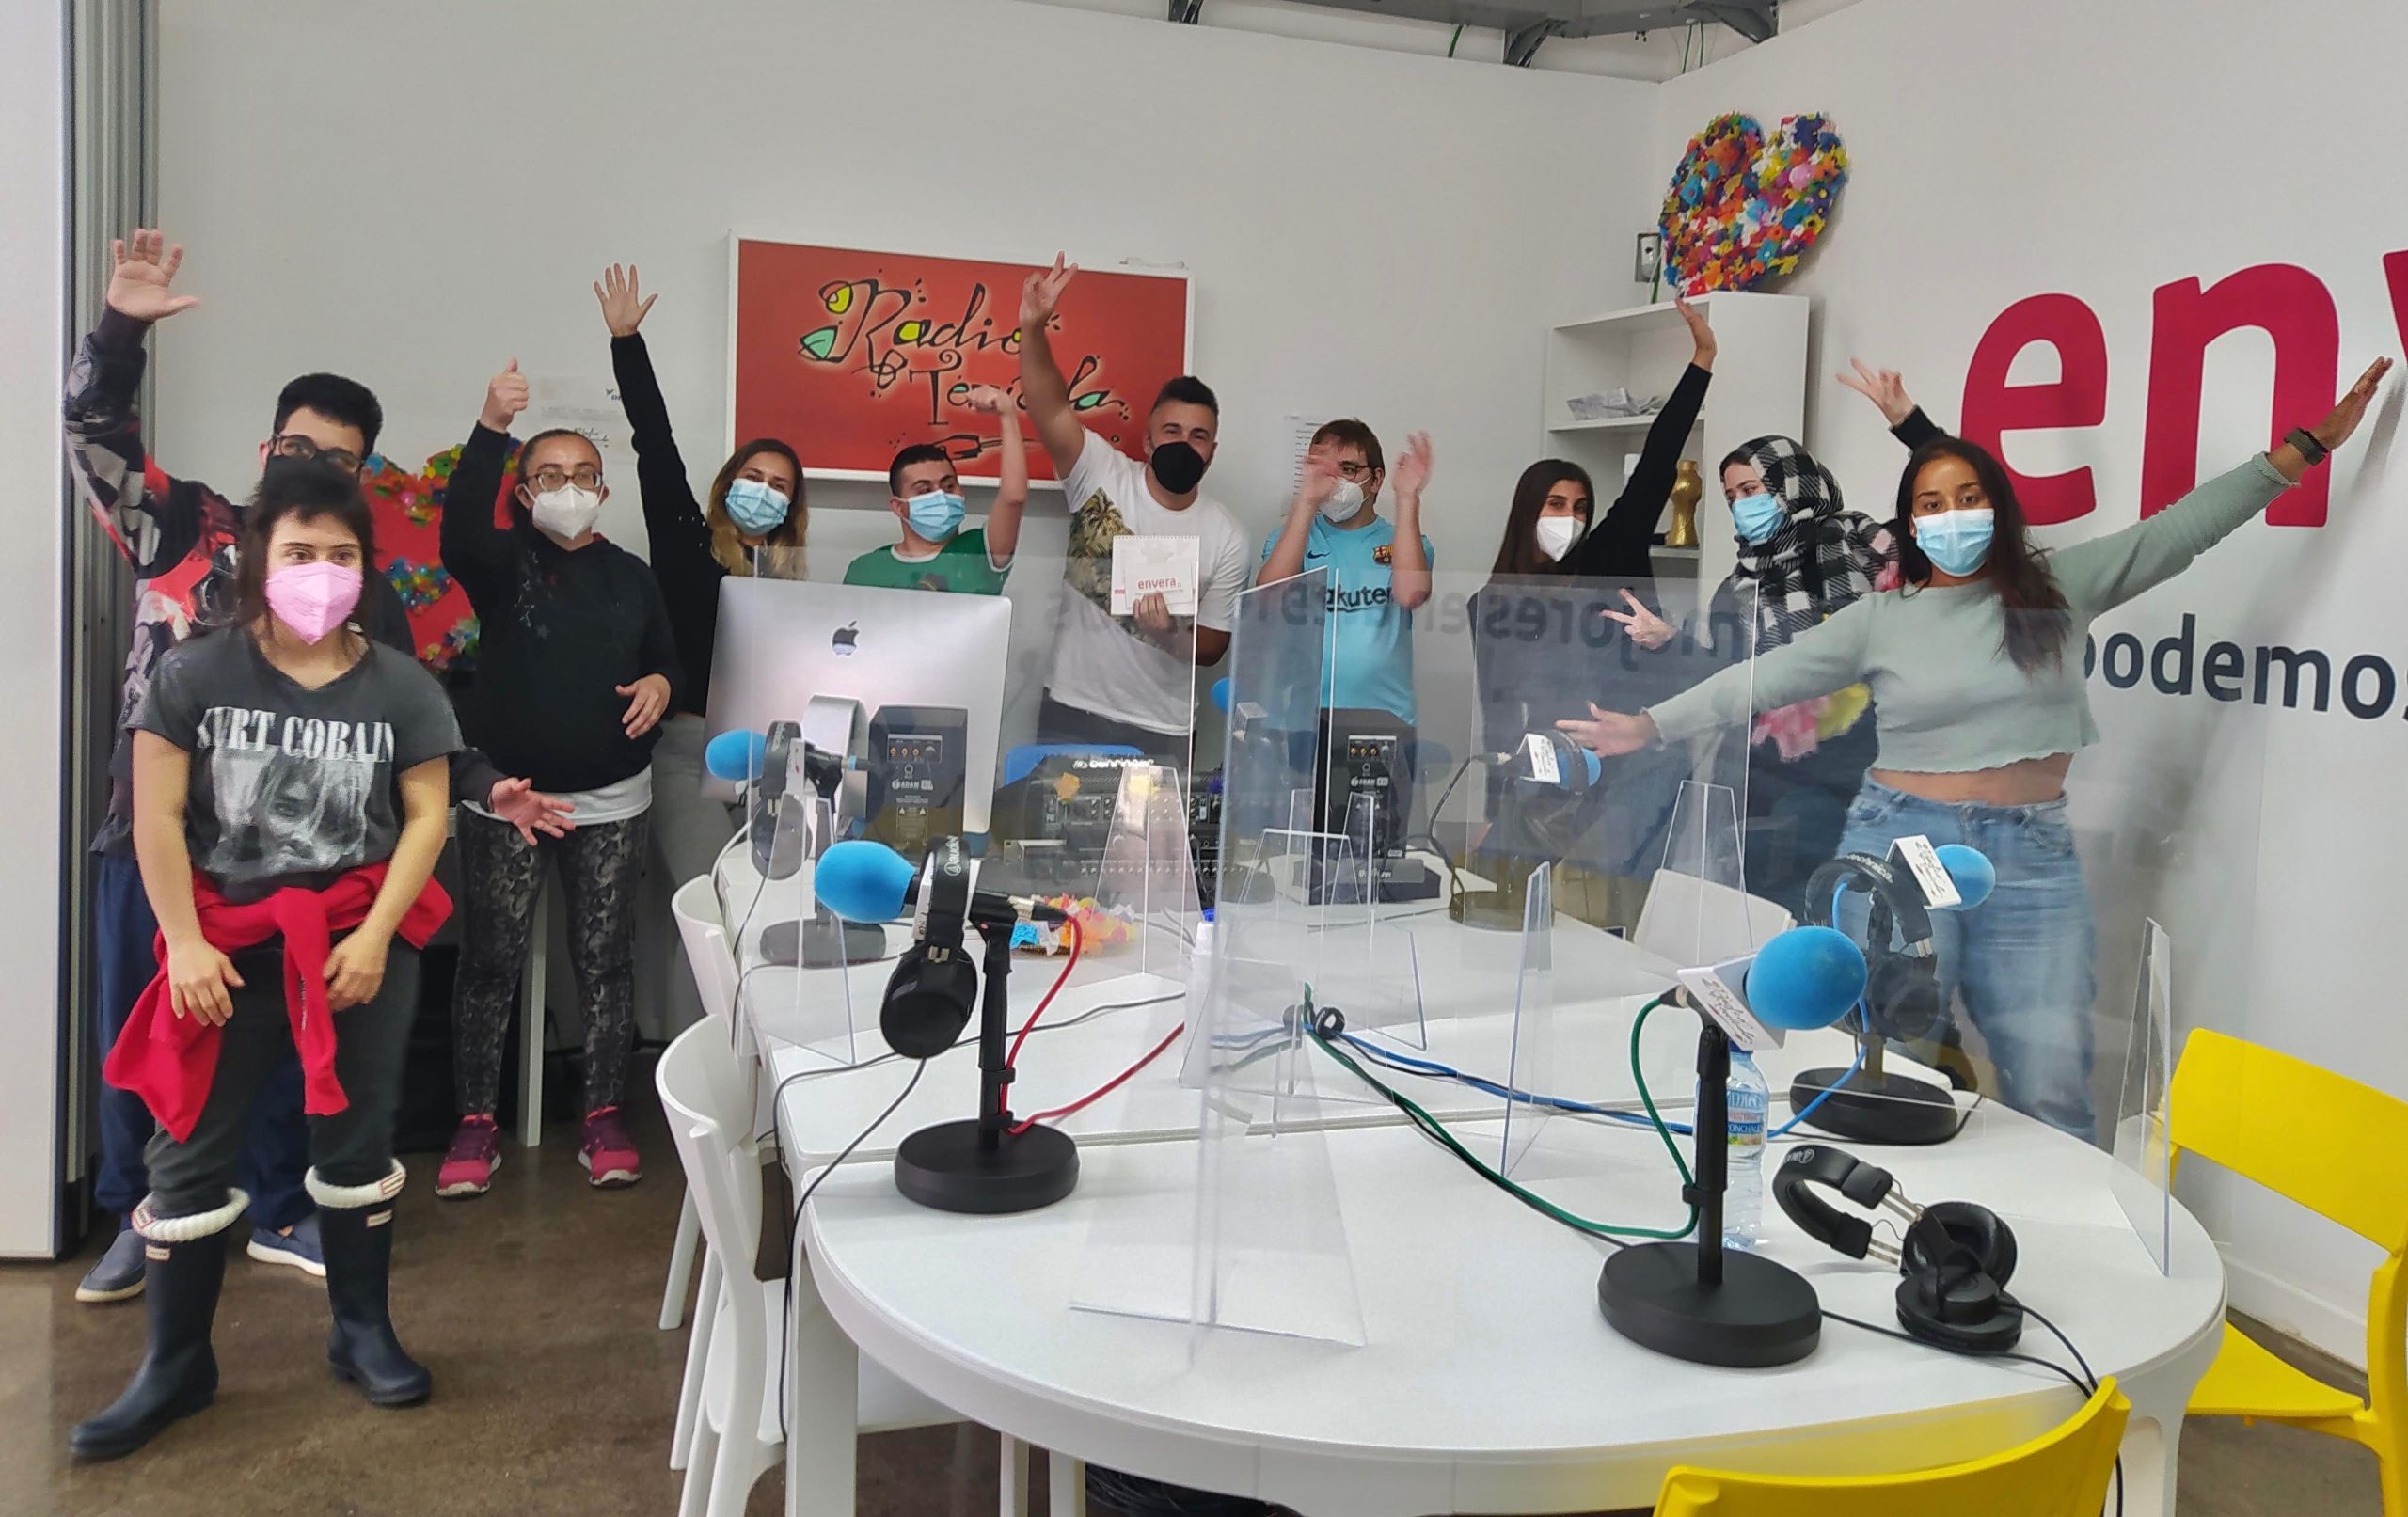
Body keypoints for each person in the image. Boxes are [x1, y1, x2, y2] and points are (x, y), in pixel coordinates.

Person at [1560, 356, 2392, 1136]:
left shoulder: (2059, 588)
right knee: (1883, 1059)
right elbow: (1762, 679)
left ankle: (2055, 1238)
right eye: (1929, 504)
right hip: (1898, 843)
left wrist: (2306, 447)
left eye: (1966, 498)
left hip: (2030, 853)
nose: (1949, 516)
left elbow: (2185, 529)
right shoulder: (1883, 616)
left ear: (1996, 507)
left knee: (2051, 1074)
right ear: (1911, 522)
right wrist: (1647, 724)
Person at [62, 229, 564, 1305]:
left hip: (297, 865)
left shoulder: (359, 585)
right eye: (297, 446)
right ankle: (141, 1214)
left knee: (289, 1051)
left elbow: (413, 723)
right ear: (266, 445)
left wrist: (484, 785)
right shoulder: (187, 528)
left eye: (336, 461)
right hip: (160, 847)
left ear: (360, 476)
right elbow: (94, 437)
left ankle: (283, 1208)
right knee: (152, 1038)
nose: (310, 469)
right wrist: (120, 332)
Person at [71, 460, 460, 1460]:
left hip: (357, 939)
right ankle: (175, 1364)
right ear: (257, 560)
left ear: (365, 567)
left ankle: (360, 1332)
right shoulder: (194, 673)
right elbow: (156, 815)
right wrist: (185, 942)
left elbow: (426, 816)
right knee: (187, 1149)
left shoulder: (402, 684)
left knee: (356, 1138)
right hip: (223, 944)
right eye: (299, 551)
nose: (320, 572)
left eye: (341, 554)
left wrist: (375, 936)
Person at [436, 359, 684, 1196]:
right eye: (550, 475)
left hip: (612, 802)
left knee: (606, 961)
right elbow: (457, 532)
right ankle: (475, 1122)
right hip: (509, 800)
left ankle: (605, 1113)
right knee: (489, 960)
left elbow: (667, 662)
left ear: (603, 491)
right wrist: (491, 424)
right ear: (524, 490)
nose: (569, 487)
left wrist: (660, 684)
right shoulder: (502, 564)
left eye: (583, 474)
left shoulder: (632, 575)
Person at [1462, 298, 1719, 931]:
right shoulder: (1492, 602)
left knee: (1601, 918)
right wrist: (1494, 809)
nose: (1570, 518)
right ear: (1529, 510)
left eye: (1580, 506)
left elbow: (1656, 466)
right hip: (1546, 774)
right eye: (1556, 504)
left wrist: (1701, 363)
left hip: (1633, 768)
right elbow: (1500, 718)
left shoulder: (1610, 555)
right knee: (1495, 913)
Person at [1608, 422, 1902, 915]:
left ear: (1792, 484)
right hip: (1767, 779)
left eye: (1751, 490)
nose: (1742, 505)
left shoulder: (1866, 548)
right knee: (1771, 913)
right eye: (1731, 497)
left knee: (1849, 911)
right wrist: (1669, 642)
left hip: (1863, 773)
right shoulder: (1741, 585)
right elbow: (1727, 679)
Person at [596, 263, 806, 917]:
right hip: (686, 750)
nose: (764, 491)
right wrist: (628, 344)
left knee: (766, 909)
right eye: (754, 476)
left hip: (766, 757)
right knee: (710, 899)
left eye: (779, 485)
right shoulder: (688, 542)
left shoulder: (786, 578)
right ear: (728, 482)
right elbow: (655, 445)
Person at [1017, 255, 1247, 764]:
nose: (1184, 443)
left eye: (1198, 436)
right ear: (1147, 439)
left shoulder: (1226, 535)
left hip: (1163, 726)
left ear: (1212, 451)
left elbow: (1212, 648)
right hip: (1073, 708)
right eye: (1172, 431)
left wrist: (1170, 635)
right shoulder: (1100, 473)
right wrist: (1033, 329)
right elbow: (1048, 406)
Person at [1256, 421, 1434, 721]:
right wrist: (1307, 500)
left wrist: (1407, 497)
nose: (1336, 480)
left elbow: (1410, 595)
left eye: (1348, 469)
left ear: (1376, 479)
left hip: (1386, 717)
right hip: (1303, 718)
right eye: (1326, 469)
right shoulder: (1290, 538)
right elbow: (1267, 599)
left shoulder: (1406, 542)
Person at [845, 389, 1029, 593]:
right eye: (924, 490)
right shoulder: (865, 569)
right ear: (898, 506)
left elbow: (1014, 497)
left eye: (949, 486)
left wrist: (1007, 413)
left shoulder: (980, 551)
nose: (940, 495)